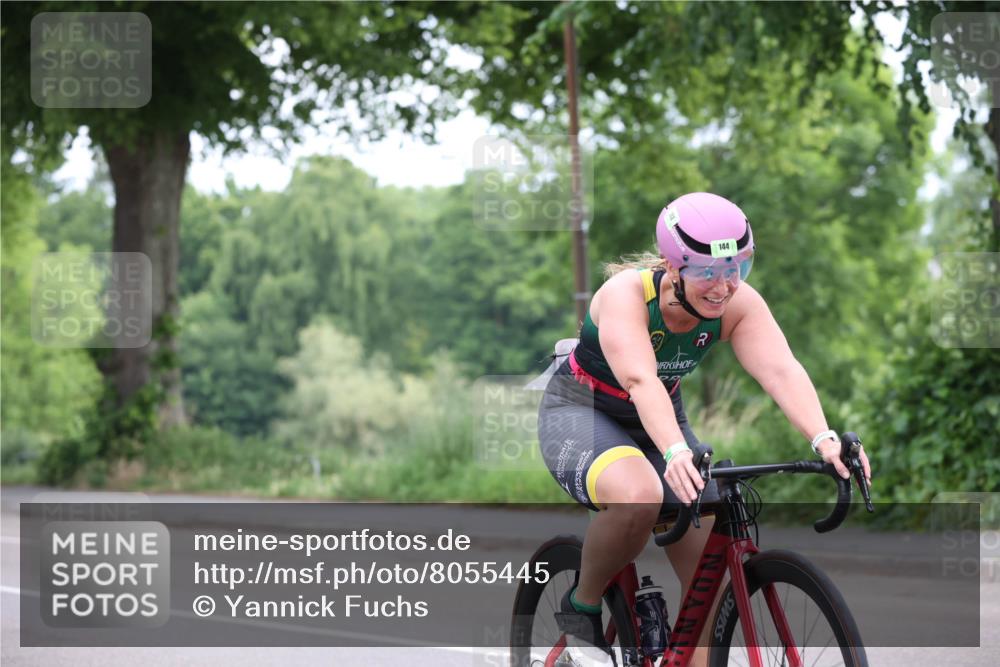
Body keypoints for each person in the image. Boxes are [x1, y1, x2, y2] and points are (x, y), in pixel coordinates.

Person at [536, 192, 872, 666]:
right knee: (640, 495)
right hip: (582, 409)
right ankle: (582, 608)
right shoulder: (626, 295)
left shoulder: (739, 303)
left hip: (661, 416)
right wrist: (674, 452)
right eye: (707, 272)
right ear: (674, 268)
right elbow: (640, 379)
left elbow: (780, 370)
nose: (723, 286)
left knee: (707, 595)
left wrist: (824, 438)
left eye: (737, 268)